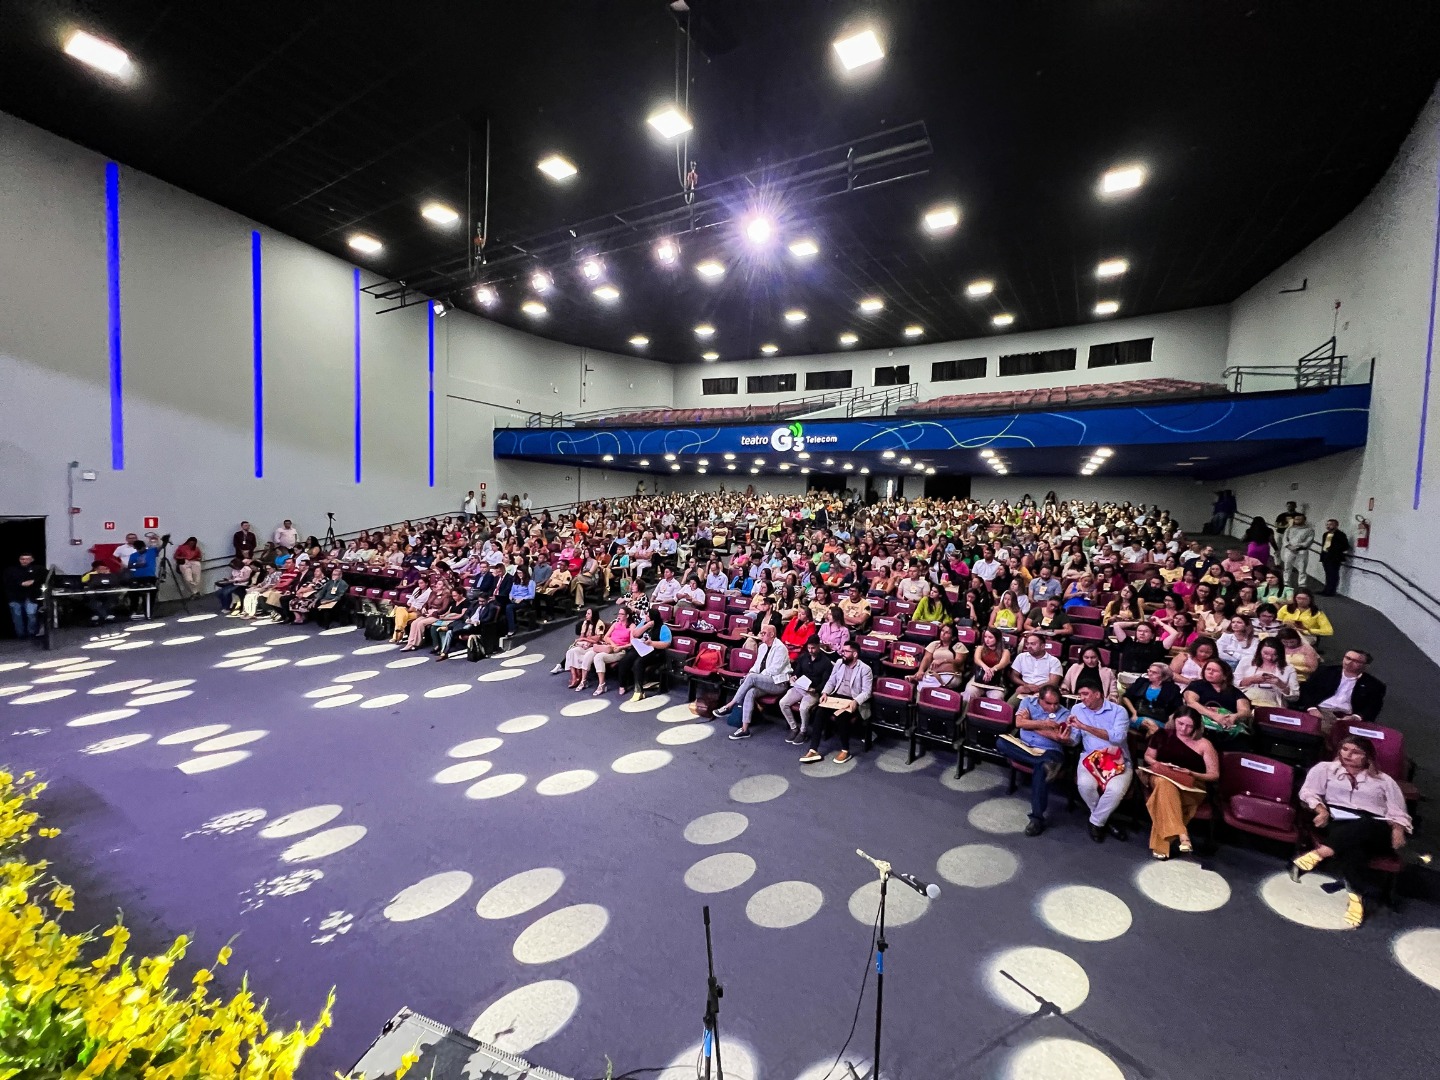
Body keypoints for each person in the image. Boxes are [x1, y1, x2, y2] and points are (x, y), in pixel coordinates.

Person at [1294, 735, 1412, 929]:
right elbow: (1307, 792)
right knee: (1355, 850)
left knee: (1365, 824)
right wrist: (1321, 810)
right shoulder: (1325, 769)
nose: (1348, 755)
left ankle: (1322, 852)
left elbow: (1398, 811)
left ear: (1368, 757)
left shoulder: (1384, 780)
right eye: (1345, 749)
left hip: (1376, 827)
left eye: (1356, 752)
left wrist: (1398, 829)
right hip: (1339, 821)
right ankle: (1356, 899)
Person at [1142, 707, 1220, 859]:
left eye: (1189, 726)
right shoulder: (1161, 735)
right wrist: (1160, 765)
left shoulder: (1204, 744)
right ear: (1174, 721)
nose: (1184, 729)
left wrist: (1191, 773)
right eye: (1180, 723)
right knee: (1164, 783)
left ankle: (1169, 841)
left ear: (1196, 726)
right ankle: (1182, 834)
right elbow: (1148, 756)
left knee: (1164, 795)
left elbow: (1214, 775)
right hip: (1161, 776)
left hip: (1191, 785)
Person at [995, 685, 1073, 837]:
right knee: (1001, 742)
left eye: (1056, 703)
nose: (1053, 707)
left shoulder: (1064, 713)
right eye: (1049, 703)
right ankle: (1043, 763)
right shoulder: (1027, 702)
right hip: (1025, 747)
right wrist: (1045, 724)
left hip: (1049, 751)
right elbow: (1018, 724)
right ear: (1040, 700)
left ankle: (1036, 819)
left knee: (1043, 766)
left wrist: (1029, 723)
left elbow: (1058, 737)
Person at [1069, 683, 1134, 842]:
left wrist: (1085, 726)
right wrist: (1064, 737)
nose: (1081, 698)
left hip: (1116, 758)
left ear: (1097, 694)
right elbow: (1074, 739)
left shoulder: (1119, 711)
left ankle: (1096, 822)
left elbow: (1118, 738)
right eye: (1080, 694)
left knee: (1115, 790)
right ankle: (1104, 820)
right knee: (1085, 785)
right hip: (1090, 757)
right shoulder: (1077, 709)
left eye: (1085, 694)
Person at [799, 641, 873, 765]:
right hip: (836, 697)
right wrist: (825, 693)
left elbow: (867, 692)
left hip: (852, 700)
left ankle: (845, 750)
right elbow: (831, 681)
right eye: (842, 651)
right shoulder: (839, 663)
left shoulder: (865, 669)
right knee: (819, 712)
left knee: (842, 717)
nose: (842, 653)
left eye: (846, 651)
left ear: (855, 654)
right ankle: (813, 750)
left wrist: (856, 701)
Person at [720, 622, 791, 739]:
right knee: (750, 692)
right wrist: (751, 673)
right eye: (761, 633)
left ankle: (730, 705)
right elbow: (757, 665)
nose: (761, 635)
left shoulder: (781, 648)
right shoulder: (762, 647)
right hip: (764, 681)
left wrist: (754, 678)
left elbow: (775, 670)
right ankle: (745, 729)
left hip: (778, 683)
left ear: (772, 634)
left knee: (752, 678)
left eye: (763, 633)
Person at [1298, 649, 1386, 727]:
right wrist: (1312, 708)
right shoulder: (1325, 672)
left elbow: (1373, 707)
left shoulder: (1374, 685)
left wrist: (1356, 717)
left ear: (1366, 666)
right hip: (1321, 710)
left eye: (1356, 661)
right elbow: (1306, 690)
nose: (1349, 662)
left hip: (1347, 716)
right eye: (1348, 658)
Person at [780, 637, 833, 744]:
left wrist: (816, 689)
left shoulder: (826, 662)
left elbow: (826, 681)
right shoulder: (804, 657)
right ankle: (794, 728)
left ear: (819, 646)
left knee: (803, 708)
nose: (810, 650)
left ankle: (803, 731)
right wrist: (794, 676)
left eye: (813, 648)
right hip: (800, 687)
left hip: (813, 691)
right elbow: (798, 671)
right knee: (783, 703)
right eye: (809, 648)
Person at [1183, 658, 1252, 740]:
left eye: (1215, 671)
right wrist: (1214, 716)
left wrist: (1234, 716)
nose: (1210, 672)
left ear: (1225, 676)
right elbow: (1191, 703)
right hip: (1201, 726)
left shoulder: (1235, 692)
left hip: (1228, 727)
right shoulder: (1196, 685)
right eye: (1208, 669)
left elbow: (1245, 711)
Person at [1234, 637, 1299, 708]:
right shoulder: (1246, 661)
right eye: (1265, 653)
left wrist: (1281, 684)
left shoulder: (1288, 669)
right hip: (1247, 700)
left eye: (1275, 655)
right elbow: (1234, 685)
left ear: (1280, 654)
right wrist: (1251, 680)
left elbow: (1295, 697)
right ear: (1259, 651)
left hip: (1273, 704)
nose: (1269, 658)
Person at [1123, 662, 1184, 734]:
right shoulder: (1141, 682)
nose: (1150, 674)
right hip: (1138, 717)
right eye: (1149, 671)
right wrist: (1134, 712)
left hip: (1161, 720)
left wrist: (1171, 720)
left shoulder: (1172, 689)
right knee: (1151, 725)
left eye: (1154, 672)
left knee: (1154, 729)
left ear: (1164, 676)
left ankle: (1153, 741)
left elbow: (1178, 708)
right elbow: (1126, 697)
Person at [907, 623, 967, 689]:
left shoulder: (959, 646)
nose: (943, 634)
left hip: (951, 675)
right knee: (923, 684)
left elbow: (959, 661)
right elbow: (926, 658)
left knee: (929, 686)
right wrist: (920, 671)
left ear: (953, 637)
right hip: (932, 674)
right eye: (942, 631)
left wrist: (943, 661)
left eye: (947, 633)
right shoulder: (934, 644)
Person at [559, 608, 607, 690]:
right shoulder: (585, 623)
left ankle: (580, 677)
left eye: (588, 614)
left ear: (593, 615)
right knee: (571, 652)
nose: (586, 615)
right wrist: (583, 641)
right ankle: (574, 677)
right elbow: (582, 636)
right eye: (586, 613)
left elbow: (598, 639)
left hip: (595, 646)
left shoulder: (600, 624)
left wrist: (586, 639)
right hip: (585, 645)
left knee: (586, 655)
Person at [1008, 632, 1062, 704]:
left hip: (1044, 692)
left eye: (1033, 644)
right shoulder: (1021, 657)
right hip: (1024, 690)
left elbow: (1053, 682)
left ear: (1042, 646)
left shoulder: (1054, 661)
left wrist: (1036, 688)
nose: (1029, 646)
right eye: (1027, 644)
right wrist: (1026, 685)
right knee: (1009, 705)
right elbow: (1013, 676)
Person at [964, 627, 1012, 702]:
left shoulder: (1005, 652)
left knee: (997, 697)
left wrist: (992, 670)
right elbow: (977, 660)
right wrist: (986, 668)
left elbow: (1002, 663)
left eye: (990, 637)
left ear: (997, 638)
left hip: (997, 681)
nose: (987, 640)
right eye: (985, 637)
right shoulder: (980, 648)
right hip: (979, 677)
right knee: (969, 691)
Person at [4, 553, 42, 638]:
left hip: (31, 596)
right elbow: (7, 581)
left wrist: (34, 581)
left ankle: (31, 634)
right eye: (22, 559)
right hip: (15, 596)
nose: (24, 561)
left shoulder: (38, 569)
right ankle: (20, 636)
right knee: (17, 617)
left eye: (27, 559)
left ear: (32, 560)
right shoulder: (11, 570)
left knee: (31, 615)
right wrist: (20, 583)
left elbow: (44, 578)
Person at [1281, 512, 1315, 590]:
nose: (1297, 520)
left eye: (1299, 519)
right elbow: (1284, 539)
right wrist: (1289, 546)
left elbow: (1309, 541)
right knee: (1287, 567)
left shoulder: (1309, 530)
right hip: (1289, 550)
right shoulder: (1289, 528)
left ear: (1304, 520)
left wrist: (1299, 546)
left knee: (1302, 568)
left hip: (1302, 551)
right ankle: (1286, 583)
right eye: (1296, 519)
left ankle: (1301, 585)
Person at [1318, 518, 1351, 596]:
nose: (1328, 526)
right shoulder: (1326, 534)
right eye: (1327, 524)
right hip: (1326, 556)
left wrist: (1334, 549)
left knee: (1333, 574)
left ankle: (1331, 591)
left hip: (1334, 557)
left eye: (1331, 524)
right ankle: (1326, 589)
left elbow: (1345, 546)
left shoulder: (1340, 535)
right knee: (1328, 574)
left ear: (1336, 525)